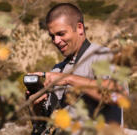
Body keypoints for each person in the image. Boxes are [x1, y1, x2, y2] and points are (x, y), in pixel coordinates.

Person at [27, 3, 129, 134]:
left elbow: (119, 96)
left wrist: (68, 79)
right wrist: (36, 104)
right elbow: (44, 123)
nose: (56, 41)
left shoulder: (103, 56)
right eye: (52, 36)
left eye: (61, 34)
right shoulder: (57, 70)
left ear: (79, 28)